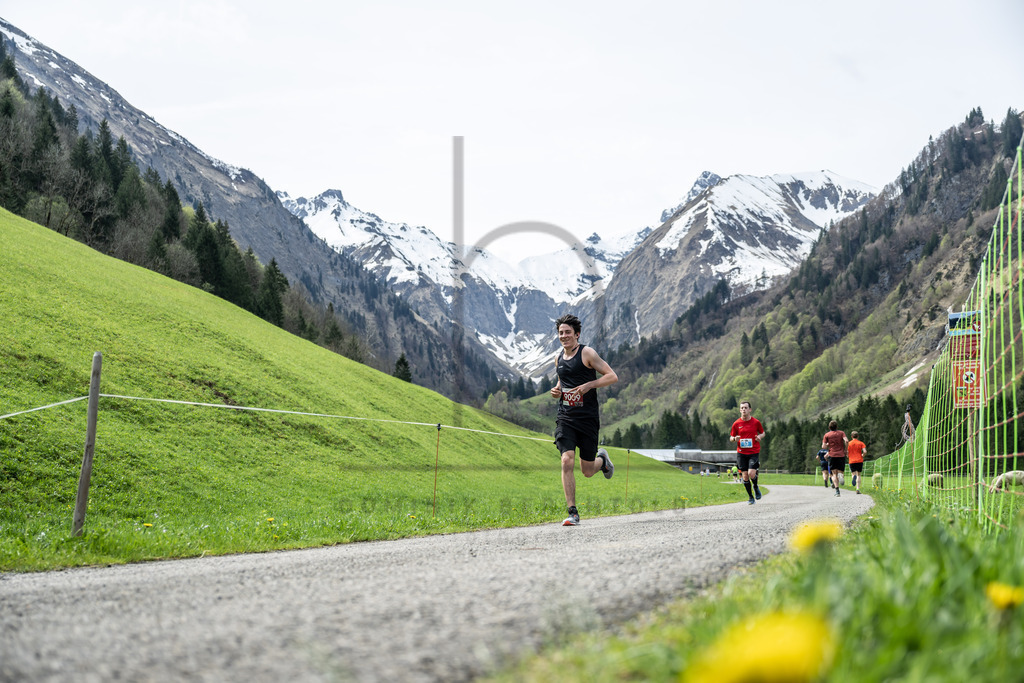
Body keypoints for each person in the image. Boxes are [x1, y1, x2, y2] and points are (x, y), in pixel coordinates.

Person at [549, 314, 618, 526]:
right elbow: (563, 380)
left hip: (587, 418)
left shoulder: (587, 353)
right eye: (561, 333)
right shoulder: (558, 358)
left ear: (577, 334)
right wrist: (557, 390)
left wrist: (590, 385)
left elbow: (612, 376)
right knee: (566, 460)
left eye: (568, 332)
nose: (564, 336)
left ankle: (603, 461)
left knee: (587, 471)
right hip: (566, 417)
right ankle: (573, 512)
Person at [729, 401, 765, 504]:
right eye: (742, 408)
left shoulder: (756, 422)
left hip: (753, 451)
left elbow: (763, 433)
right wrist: (734, 439)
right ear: (740, 410)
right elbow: (731, 437)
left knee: (751, 473)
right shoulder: (736, 424)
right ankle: (750, 497)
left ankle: (756, 486)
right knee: (744, 476)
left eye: (745, 408)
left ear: (750, 409)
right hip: (741, 452)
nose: (744, 410)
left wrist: (759, 437)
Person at [821, 420, 848, 496]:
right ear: (837, 426)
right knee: (840, 472)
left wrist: (827, 444)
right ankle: (841, 476)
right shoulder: (841, 433)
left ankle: (837, 491)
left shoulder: (827, 435)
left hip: (832, 455)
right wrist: (845, 450)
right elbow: (846, 441)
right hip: (841, 455)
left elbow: (823, 447)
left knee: (833, 474)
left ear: (829, 427)